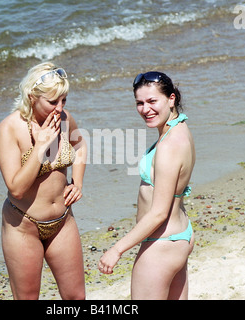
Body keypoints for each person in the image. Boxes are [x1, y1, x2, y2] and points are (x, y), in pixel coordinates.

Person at [98, 71, 195, 300]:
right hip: (179, 236)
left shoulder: (170, 144)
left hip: (161, 245)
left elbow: (159, 212)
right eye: (139, 103)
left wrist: (117, 249)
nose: (145, 109)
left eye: (152, 101)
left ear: (171, 99)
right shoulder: (180, 129)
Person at [0, 62, 87, 300]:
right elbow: (16, 188)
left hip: (63, 222)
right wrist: (42, 145)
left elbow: (81, 144)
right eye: (53, 102)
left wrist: (77, 182)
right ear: (31, 96)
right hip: (23, 226)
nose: (60, 108)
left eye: (64, 100)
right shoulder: (9, 128)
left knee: (76, 297)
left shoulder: (64, 119)